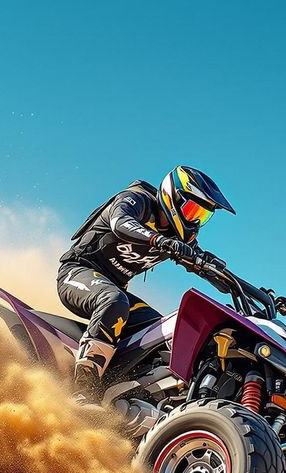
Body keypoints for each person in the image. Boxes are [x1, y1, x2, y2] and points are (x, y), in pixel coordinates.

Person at [58, 165, 234, 403]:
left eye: (203, 216)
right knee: (113, 300)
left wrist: (246, 289)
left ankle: (122, 393)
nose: (195, 221)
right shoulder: (137, 200)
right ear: (174, 197)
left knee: (159, 333)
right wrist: (158, 240)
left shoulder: (180, 237)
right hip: (77, 272)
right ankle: (83, 389)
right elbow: (119, 222)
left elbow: (210, 273)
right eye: (192, 210)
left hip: (116, 291)